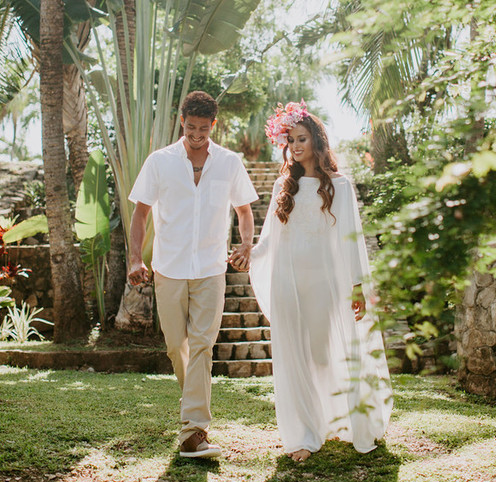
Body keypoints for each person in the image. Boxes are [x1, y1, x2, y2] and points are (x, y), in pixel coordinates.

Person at [248, 101, 393, 462]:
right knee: (292, 358)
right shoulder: (285, 186)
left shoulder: (340, 188)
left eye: (302, 139)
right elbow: (268, 238)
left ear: (317, 141)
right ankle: (303, 435)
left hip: (323, 286)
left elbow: (353, 240)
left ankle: (340, 421)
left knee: (323, 356)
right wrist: (248, 254)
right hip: (287, 282)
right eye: (290, 140)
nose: (295, 146)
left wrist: (358, 286)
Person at [128, 91, 258, 459]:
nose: (197, 134)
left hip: (211, 268)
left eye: (204, 128)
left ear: (213, 125)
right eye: (191, 127)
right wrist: (135, 259)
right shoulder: (160, 162)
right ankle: (193, 416)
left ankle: (193, 431)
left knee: (202, 344)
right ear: (181, 121)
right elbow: (141, 214)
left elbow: (245, 211)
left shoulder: (230, 163)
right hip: (168, 267)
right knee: (176, 346)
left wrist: (246, 244)